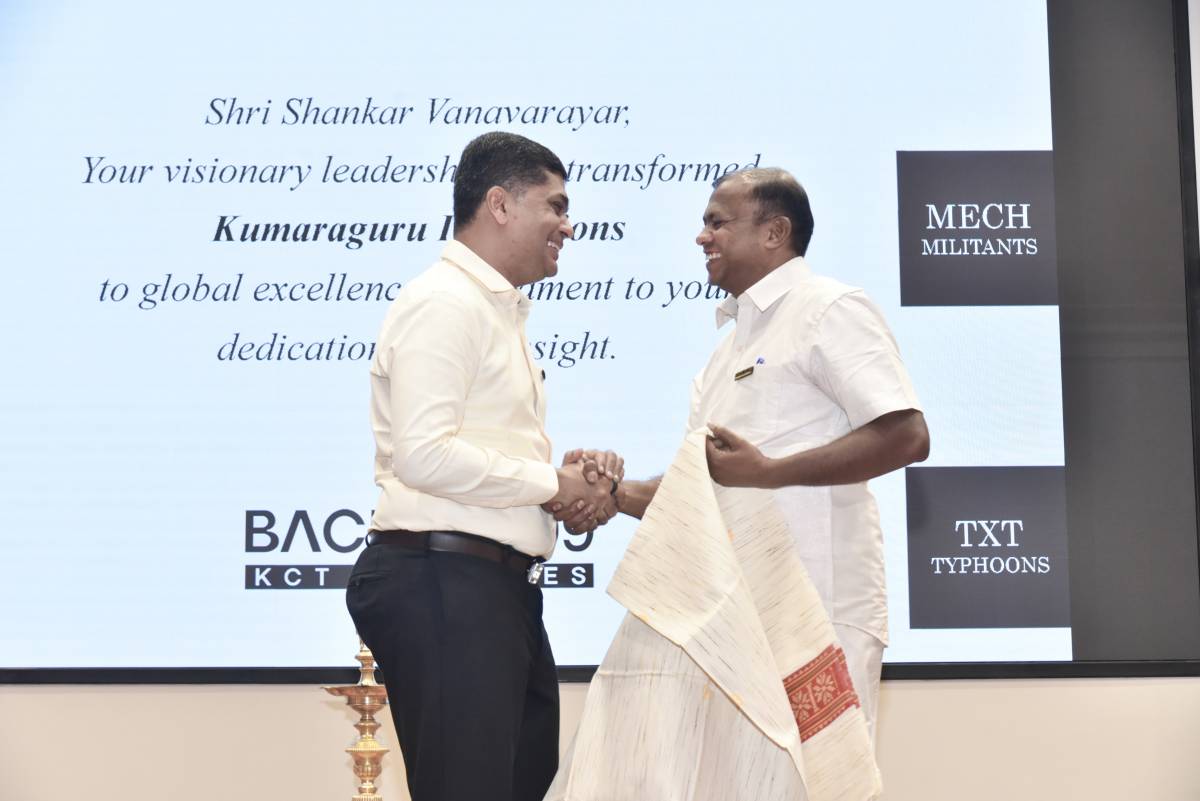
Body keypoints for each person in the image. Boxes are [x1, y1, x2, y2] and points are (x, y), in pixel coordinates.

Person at [583, 166, 929, 745]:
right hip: (734, 617)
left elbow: (906, 434)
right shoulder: (724, 355)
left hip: (816, 607)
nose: (702, 237)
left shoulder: (828, 308)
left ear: (774, 232)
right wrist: (613, 494)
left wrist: (769, 473)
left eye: (717, 222)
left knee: (822, 777)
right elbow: (703, 484)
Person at [345, 131, 618, 801]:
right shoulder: (446, 302)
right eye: (555, 206)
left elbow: (474, 448)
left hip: (490, 589)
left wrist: (563, 480)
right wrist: (551, 483)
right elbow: (424, 453)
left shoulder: (496, 311)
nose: (568, 226)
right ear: (499, 204)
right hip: (445, 584)